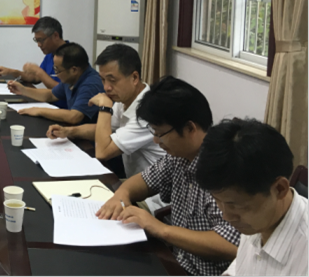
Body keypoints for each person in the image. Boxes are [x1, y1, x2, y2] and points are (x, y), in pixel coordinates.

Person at [96, 76, 240, 275]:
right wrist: (121, 196)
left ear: (190, 128)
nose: (156, 141)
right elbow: (143, 181)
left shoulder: (224, 168)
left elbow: (232, 244)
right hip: (175, 260)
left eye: (160, 133)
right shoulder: (179, 157)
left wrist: (160, 229)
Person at [47, 44, 167, 209]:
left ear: (134, 78)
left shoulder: (147, 112)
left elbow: (102, 152)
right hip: (133, 185)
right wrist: (69, 131)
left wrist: (105, 107)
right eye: (103, 80)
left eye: (112, 80)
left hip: (153, 200)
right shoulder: (125, 99)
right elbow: (104, 131)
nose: (106, 88)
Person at [196, 118, 308, 276]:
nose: (226, 216)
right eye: (217, 200)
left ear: (279, 189)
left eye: (236, 205)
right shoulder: (258, 220)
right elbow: (241, 267)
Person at [7, 42, 104, 125]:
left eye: (58, 70)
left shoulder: (91, 84)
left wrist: (40, 110)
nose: (56, 74)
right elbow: (51, 95)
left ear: (74, 70)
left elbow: (74, 116)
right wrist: (23, 90)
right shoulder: (72, 78)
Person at [0, 16, 67, 108]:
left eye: (41, 40)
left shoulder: (72, 56)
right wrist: (12, 72)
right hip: (50, 106)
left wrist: (38, 71)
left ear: (55, 36)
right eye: (36, 40)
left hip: (64, 110)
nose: (39, 45)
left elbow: (63, 90)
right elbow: (36, 78)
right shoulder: (51, 54)